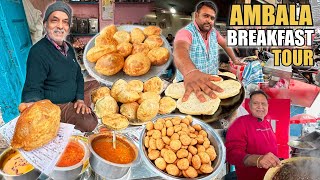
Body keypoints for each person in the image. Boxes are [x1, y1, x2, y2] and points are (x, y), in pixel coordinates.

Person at [21, 1, 99, 132]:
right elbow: (32, 86)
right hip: (57, 103)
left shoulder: (68, 48)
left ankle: (80, 104)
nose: (60, 26)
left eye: (65, 22)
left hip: (72, 92)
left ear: (68, 27)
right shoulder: (38, 51)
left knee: (98, 83)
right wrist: (31, 103)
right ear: (46, 24)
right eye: (54, 20)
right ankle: (75, 110)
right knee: (89, 124)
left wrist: (79, 98)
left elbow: (79, 75)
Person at [173, 0, 245, 103]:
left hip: (210, 82)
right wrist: (191, 72)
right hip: (189, 84)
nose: (209, 20)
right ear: (196, 15)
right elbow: (180, 50)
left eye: (212, 18)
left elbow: (225, 44)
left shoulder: (214, 33)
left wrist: (235, 59)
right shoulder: (186, 32)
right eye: (205, 16)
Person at [225, 90, 281, 180]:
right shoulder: (240, 123)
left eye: (263, 104)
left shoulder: (267, 123)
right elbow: (232, 154)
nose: (260, 107)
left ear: (268, 106)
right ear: (249, 106)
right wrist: (258, 160)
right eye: (256, 103)